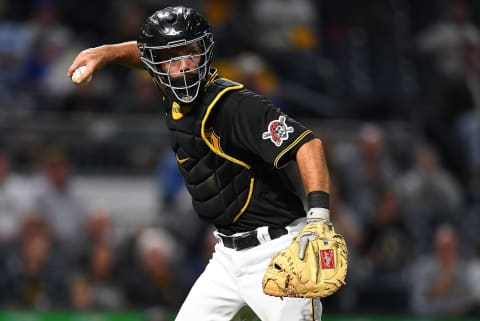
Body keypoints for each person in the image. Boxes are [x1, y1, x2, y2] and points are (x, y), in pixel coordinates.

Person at [68, 6, 332, 321]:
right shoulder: (173, 88)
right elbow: (151, 55)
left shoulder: (234, 106)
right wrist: (108, 52)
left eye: (190, 55)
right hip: (226, 257)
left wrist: (319, 217)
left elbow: (307, 145)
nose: (182, 66)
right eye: (172, 59)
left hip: (278, 251)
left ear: (205, 53)